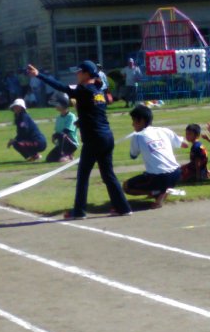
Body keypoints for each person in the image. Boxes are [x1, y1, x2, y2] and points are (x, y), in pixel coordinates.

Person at [28, 61, 130, 218]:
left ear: (87, 74)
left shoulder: (83, 89)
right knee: (108, 175)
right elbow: (94, 112)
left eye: (79, 71)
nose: (76, 74)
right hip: (106, 137)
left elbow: (61, 87)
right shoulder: (98, 90)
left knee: (83, 176)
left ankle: (79, 211)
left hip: (94, 139)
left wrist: (38, 75)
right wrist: (81, 121)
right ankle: (123, 207)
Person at [123, 105, 186, 208]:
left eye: (134, 120)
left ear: (142, 121)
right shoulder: (164, 130)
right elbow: (183, 143)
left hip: (159, 177)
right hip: (177, 173)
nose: (132, 124)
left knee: (126, 186)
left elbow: (133, 155)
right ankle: (163, 191)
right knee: (155, 176)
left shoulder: (137, 136)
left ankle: (158, 193)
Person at [47, 95, 79, 163]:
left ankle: (66, 155)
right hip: (61, 144)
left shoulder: (71, 116)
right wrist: (54, 136)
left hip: (71, 144)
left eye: (57, 104)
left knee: (62, 135)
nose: (56, 106)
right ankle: (68, 155)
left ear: (63, 105)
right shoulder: (58, 118)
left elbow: (66, 131)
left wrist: (57, 135)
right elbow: (57, 131)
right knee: (49, 159)